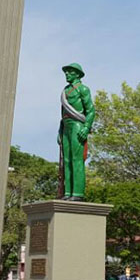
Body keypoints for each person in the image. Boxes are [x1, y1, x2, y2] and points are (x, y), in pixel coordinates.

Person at [58, 63, 95, 201]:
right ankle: (68, 192)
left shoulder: (83, 89)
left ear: (78, 74)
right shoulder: (65, 91)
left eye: (70, 72)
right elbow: (62, 114)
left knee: (76, 159)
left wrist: (86, 128)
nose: (67, 74)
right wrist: (60, 131)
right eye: (66, 72)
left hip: (78, 125)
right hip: (66, 126)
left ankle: (77, 193)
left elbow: (90, 110)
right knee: (66, 160)